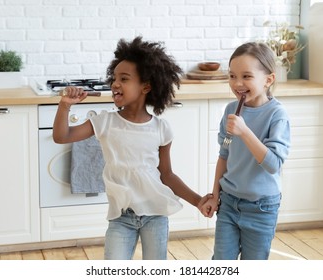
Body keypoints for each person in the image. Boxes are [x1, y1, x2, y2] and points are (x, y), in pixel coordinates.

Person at [53, 36, 211, 260]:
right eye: (114, 78)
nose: (115, 83)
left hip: (155, 213)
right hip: (121, 217)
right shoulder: (104, 121)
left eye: (124, 79)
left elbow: (167, 175)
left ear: (146, 86)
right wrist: (64, 106)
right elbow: (62, 136)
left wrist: (197, 200)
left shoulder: (161, 128)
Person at [201, 42, 291, 260]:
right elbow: (224, 155)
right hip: (230, 202)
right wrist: (215, 195)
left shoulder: (277, 115)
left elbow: (273, 164)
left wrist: (245, 131)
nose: (237, 83)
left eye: (246, 76)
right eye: (232, 76)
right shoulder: (231, 110)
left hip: (262, 208)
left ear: (268, 80)